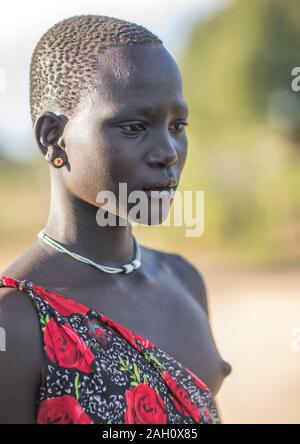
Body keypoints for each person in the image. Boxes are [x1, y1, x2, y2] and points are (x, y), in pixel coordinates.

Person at [0, 14, 231, 424]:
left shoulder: (183, 280)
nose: (169, 152)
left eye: (178, 125)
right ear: (53, 137)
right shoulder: (15, 321)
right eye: (133, 126)